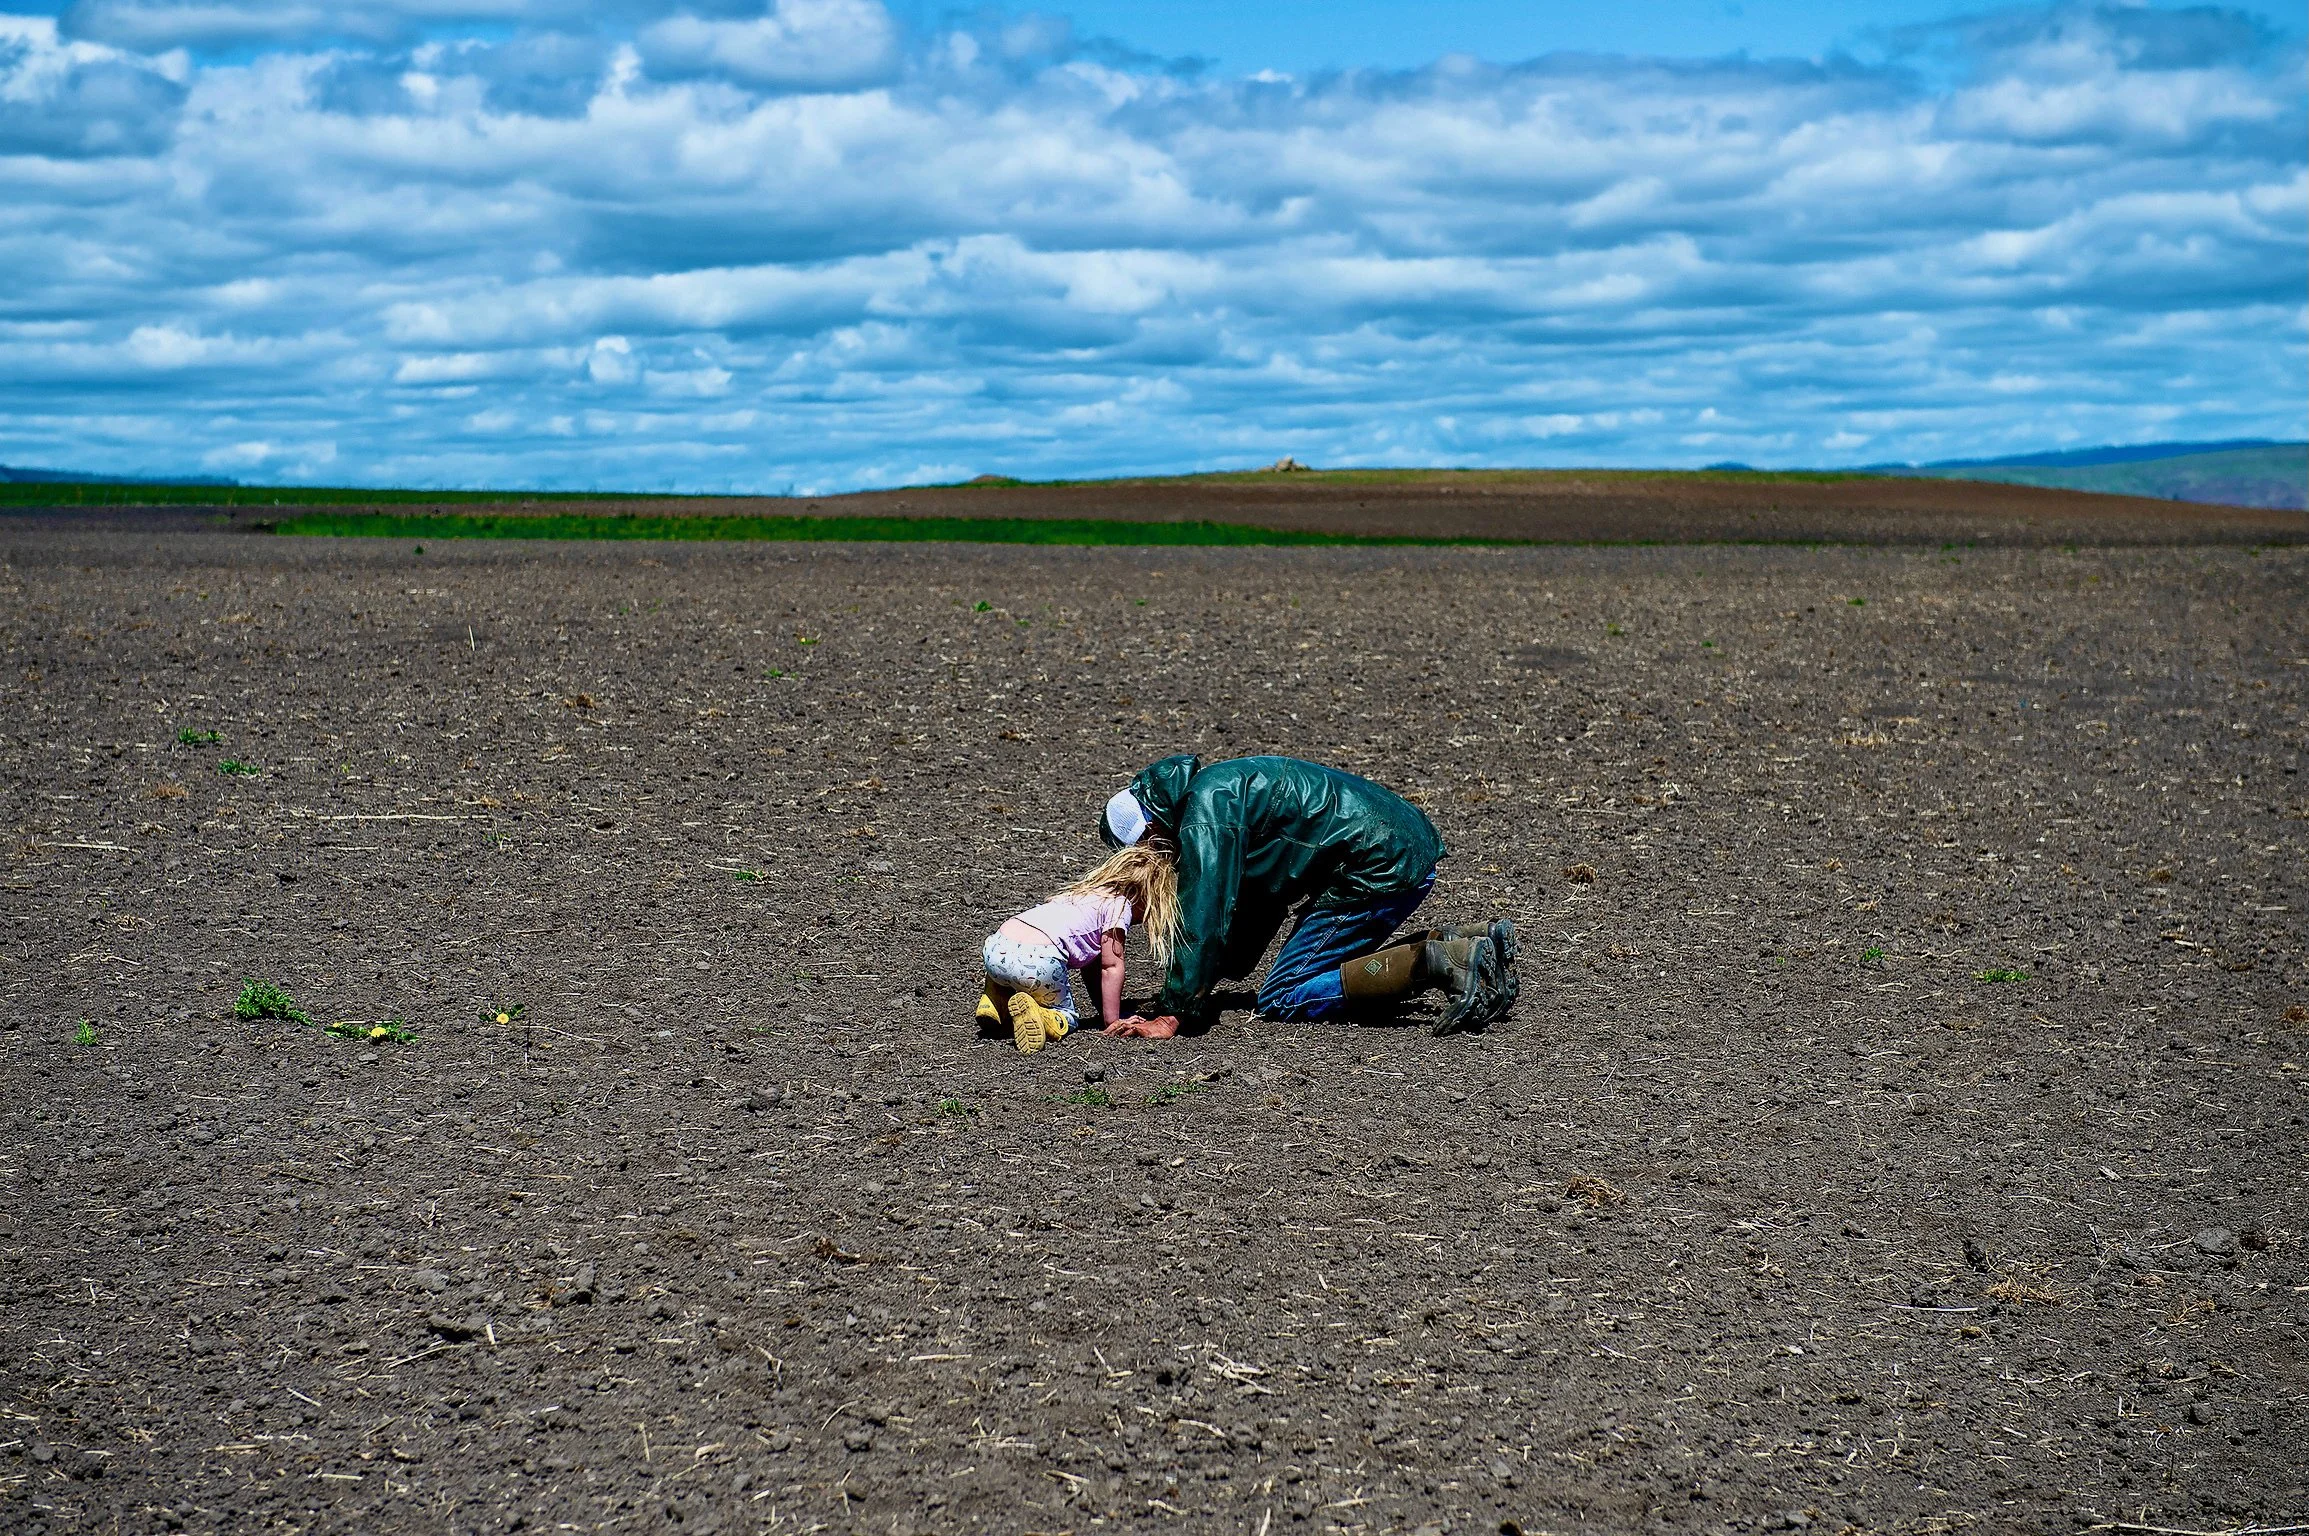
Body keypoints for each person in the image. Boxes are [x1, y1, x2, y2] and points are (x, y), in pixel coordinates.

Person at [1094, 754, 1516, 1039]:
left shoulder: (1205, 819)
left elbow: (1203, 918)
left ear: (1150, 832)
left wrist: (1173, 1012)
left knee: (1282, 995)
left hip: (1378, 865)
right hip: (1398, 843)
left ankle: (1438, 962)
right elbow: (1260, 898)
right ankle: (1470, 942)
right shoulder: (1216, 790)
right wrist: (1209, 980)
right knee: (1302, 972)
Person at [975, 844, 1180, 1054]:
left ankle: (993, 1001)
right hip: (1037, 960)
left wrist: (1103, 1009)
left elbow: (1092, 967)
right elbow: (1110, 966)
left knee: (1008, 966)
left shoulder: (1084, 892)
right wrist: (1113, 1020)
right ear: (1143, 896)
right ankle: (1042, 1016)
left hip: (996, 947)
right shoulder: (1120, 907)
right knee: (1068, 1016)